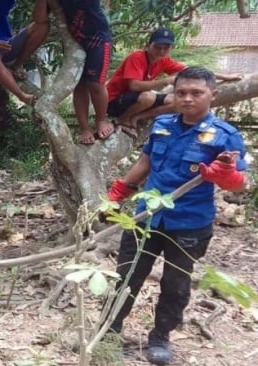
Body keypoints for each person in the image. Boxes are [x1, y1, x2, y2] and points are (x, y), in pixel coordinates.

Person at [104, 67, 248, 365]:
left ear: (213, 95)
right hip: (146, 217)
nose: (187, 99)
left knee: (176, 284)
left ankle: (160, 337)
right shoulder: (162, 124)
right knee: (127, 276)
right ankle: (110, 331)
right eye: (181, 93)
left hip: (189, 224)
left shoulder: (224, 136)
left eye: (196, 93)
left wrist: (224, 174)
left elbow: (240, 183)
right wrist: (117, 194)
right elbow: (145, 162)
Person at [106, 28, 242, 138]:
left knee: (177, 102)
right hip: (114, 101)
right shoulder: (137, 57)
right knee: (149, 97)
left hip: (136, 99)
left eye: (166, 48)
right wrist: (164, 81)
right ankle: (122, 120)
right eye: (158, 47)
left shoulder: (163, 60)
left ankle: (136, 117)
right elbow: (134, 86)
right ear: (148, 46)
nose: (161, 51)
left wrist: (225, 76)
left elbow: (193, 70)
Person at [58, 0, 114, 144]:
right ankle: (84, 128)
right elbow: (40, 19)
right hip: (74, 40)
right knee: (79, 84)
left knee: (95, 84)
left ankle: (101, 120)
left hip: (98, 39)